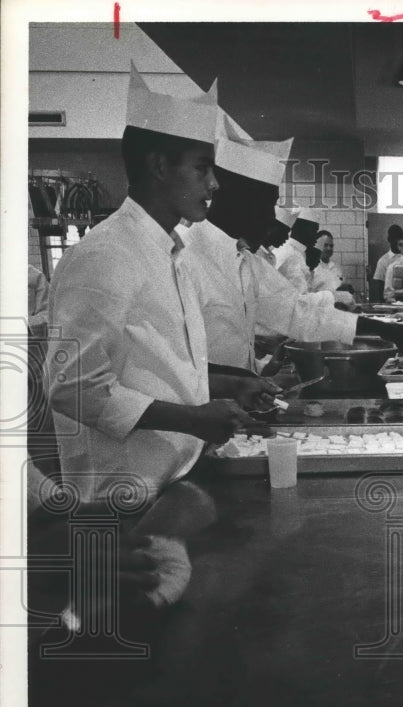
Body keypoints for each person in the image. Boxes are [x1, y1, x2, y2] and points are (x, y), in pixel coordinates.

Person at [45, 63, 273, 505]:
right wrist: (192, 419)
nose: (214, 183)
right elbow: (73, 389)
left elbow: (161, 367)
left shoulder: (172, 254)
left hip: (175, 480)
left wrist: (229, 386)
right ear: (158, 167)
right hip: (123, 494)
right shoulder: (105, 254)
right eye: (203, 169)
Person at [183, 118, 403, 365]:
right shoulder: (186, 255)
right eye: (266, 205)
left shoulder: (246, 261)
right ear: (236, 200)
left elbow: (298, 313)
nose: (269, 218)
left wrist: (386, 329)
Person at [273, 208, 321, 293]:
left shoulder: (300, 254)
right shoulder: (287, 252)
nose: (316, 237)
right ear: (303, 229)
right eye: (314, 230)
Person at [370, 224, 403, 302]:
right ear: (389, 239)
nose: (396, 241)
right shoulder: (383, 261)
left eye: (399, 238)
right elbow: (379, 287)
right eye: (394, 238)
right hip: (391, 302)